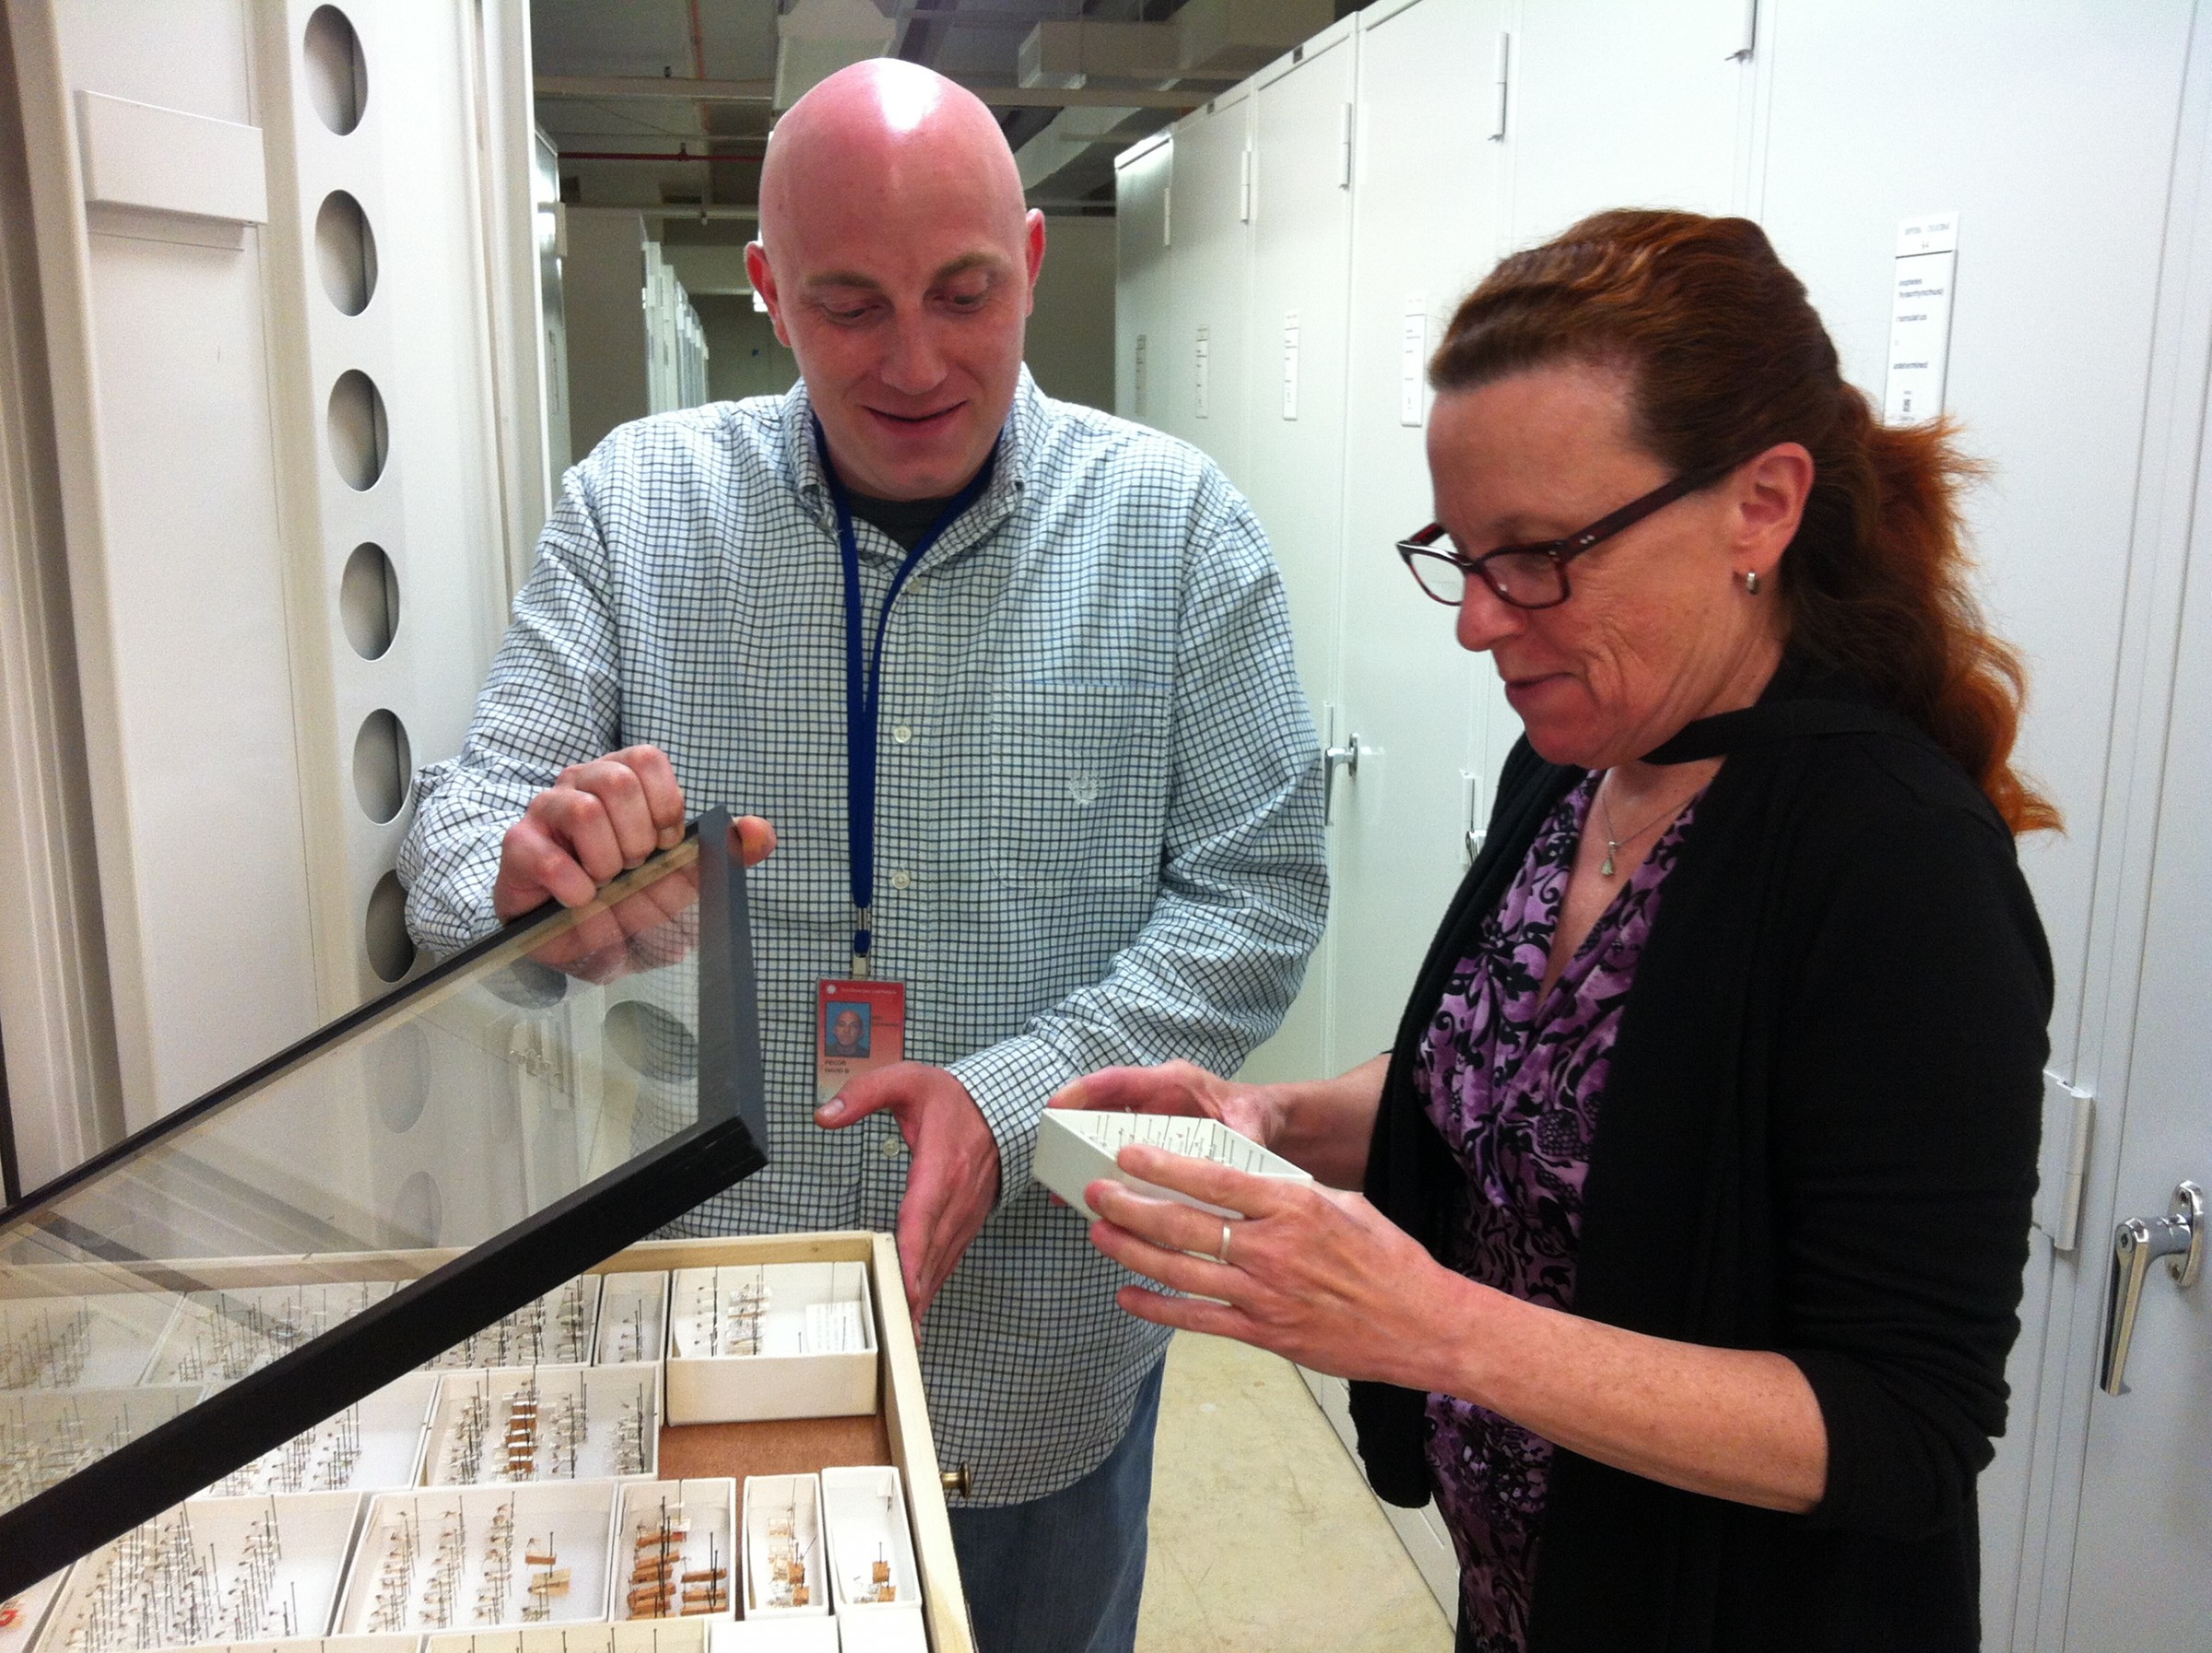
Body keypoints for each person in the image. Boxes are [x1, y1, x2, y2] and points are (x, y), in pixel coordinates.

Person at [398, 59, 1326, 1653]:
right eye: (850, 306)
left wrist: (1005, 1089)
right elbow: (456, 833)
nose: (916, 361)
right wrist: (526, 878)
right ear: (766, 290)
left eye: (966, 294)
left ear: (1033, 259)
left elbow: (1254, 899)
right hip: (716, 1315)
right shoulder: (639, 508)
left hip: (1033, 1347)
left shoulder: (1177, 534)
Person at [1055, 209, 2053, 1651]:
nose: (1478, 620)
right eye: (1459, 553)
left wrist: (1429, 1323)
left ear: (1761, 506)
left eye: (1538, 553)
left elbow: (1904, 1423)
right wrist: (1266, 1119)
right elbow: (1520, 1091)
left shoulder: (1894, 863)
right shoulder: (1581, 760)